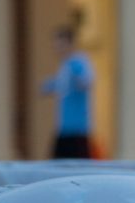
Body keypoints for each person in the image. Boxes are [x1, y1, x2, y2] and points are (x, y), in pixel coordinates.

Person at [40, 26, 95, 159]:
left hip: (77, 128)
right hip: (64, 127)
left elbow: (87, 82)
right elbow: (61, 86)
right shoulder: (65, 65)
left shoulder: (79, 61)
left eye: (61, 44)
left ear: (70, 43)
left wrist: (77, 76)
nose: (57, 48)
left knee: (76, 165)